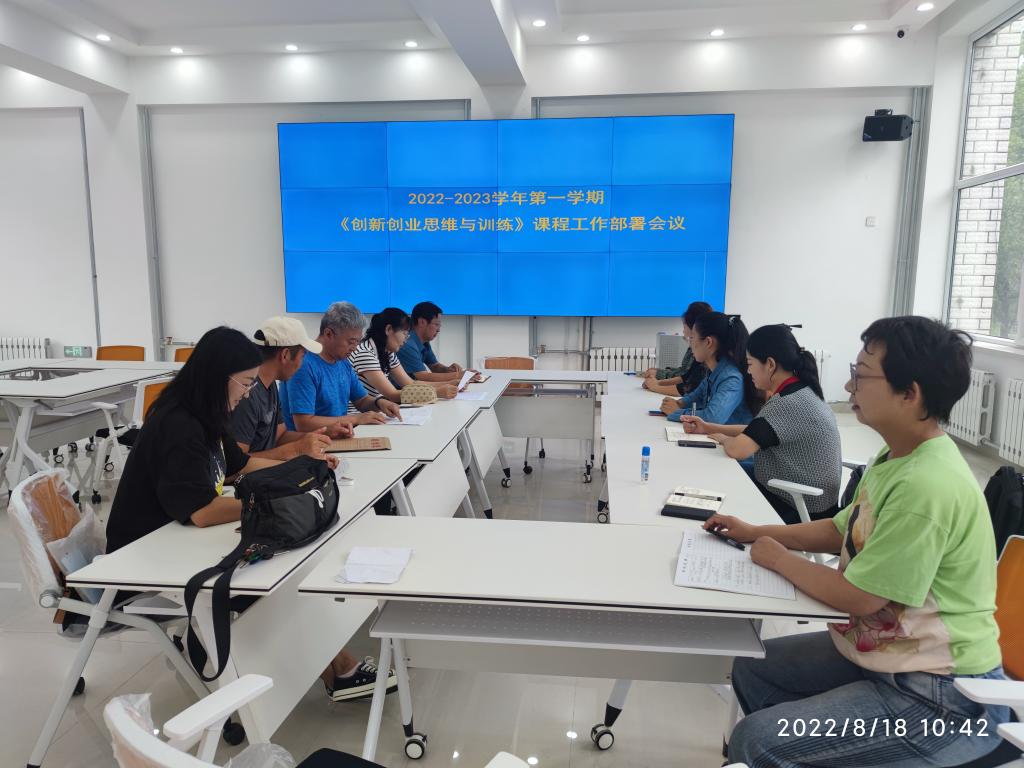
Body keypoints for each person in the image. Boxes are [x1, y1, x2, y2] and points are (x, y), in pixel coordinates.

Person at [708, 316, 1008, 768]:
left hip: (942, 697)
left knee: (757, 739)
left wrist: (779, 558)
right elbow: (839, 529)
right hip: (885, 658)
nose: (848, 386)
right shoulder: (896, 456)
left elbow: (861, 597)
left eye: (861, 375)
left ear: (910, 394)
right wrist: (756, 532)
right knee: (754, 667)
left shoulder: (927, 484)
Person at [105, 326, 395, 702]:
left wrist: (299, 473)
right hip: (143, 556)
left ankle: (330, 667)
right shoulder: (178, 424)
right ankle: (334, 670)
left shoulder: (207, 414)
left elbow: (240, 465)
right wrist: (277, 503)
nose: (246, 394)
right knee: (272, 582)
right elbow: (202, 511)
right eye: (244, 383)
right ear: (217, 377)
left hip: (177, 540)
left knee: (282, 563)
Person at [681, 324, 841, 524]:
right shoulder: (799, 391)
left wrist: (723, 439)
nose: (748, 371)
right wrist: (708, 427)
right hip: (796, 491)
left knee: (720, 475)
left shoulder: (788, 402)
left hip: (799, 505)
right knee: (722, 471)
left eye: (750, 364)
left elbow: (738, 449)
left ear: (770, 364)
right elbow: (757, 429)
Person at [230, 316, 353, 461]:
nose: (302, 364)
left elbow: (280, 436)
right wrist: (296, 450)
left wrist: (323, 435)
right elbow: (236, 463)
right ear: (285, 355)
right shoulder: (246, 394)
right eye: (302, 356)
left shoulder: (270, 385)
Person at [280, 301, 402, 432]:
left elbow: (361, 401)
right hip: (312, 441)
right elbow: (303, 423)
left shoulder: (342, 361)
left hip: (338, 436)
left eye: (358, 342)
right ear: (328, 334)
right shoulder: (303, 364)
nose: (354, 348)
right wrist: (355, 419)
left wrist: (380, 402)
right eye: (351, 342)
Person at [659, 312, 757, 426]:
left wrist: (677, 412)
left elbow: (712, 418)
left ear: (708, 342)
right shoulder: (714, 371)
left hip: (733, 437)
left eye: (692, 338)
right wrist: (678, 403)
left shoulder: (731, 378)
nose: (690, 345)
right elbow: (696, 397)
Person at [348, 307, 457, 407]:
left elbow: (410, 383)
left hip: (375, 410)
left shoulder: (388, 352)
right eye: (404, 333)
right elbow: (392, 394)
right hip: (359, 414)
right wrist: (436, 392)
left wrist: (450, 383)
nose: (406, 339)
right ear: (389, 330)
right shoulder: (365, 353)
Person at [641, 301, 713, 397]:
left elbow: (687, 388)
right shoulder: (702, 356)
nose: (689, 344)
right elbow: (685, 377)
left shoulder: (710, 363)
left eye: (691, 338)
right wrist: (657, 383)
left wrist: (655, 385)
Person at [396, 301, 473, 383]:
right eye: (436, 324)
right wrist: (459, 375)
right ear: (422, 322)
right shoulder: (407, 343)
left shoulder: (424, 341)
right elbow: (423, 377)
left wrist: (448, 370)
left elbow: (434, 366)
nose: (438, 330)